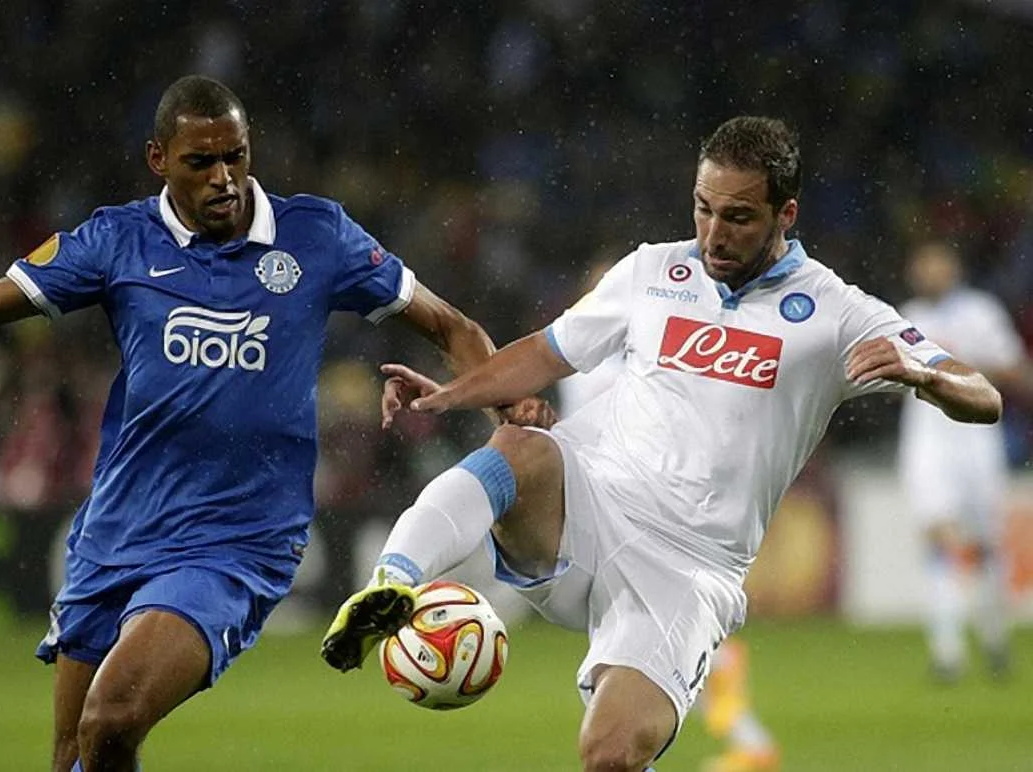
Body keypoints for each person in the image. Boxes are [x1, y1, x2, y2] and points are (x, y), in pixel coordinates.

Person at [0, 74, 551, 772]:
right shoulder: (117, 240)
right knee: (75, 754)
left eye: (235, 156)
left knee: (111, 717)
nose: (224, 178)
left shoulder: (315, 236)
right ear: (158, 159)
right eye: (201, 162)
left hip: (234, 540)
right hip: (116, 528)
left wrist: (505, 399)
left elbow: (450, 326)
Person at [320, 116, 1002, 772]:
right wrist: (449, 395)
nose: (713, 234)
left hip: (690, 565)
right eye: (703, 209)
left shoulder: (837, 311)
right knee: (520, 447)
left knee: (611, 754)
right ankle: (393, 580)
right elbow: (543, 354)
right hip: (592, 501)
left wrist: (927, 377)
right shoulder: (653, 270)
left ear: (785, 215)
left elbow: (983, 396)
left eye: (738, 217)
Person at [556, 257, 779, 772]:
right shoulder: (587, 371)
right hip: (605, 513)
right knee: (629, 655)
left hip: (653, 521)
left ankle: (746, 734)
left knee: (635, 654)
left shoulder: (655, 360)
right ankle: (744, 730)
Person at [897, 240, 1033, 683]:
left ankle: (994, 637)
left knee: (985, 544)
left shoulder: (979, 313)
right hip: (928, 440)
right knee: (939, 538)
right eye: (923, 265)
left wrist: (964, 370)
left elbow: (1012, 367)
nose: (929, 273)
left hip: (975, 438)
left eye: (936, 264)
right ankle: (947, 652)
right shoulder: (906, 316)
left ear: (953, 268)